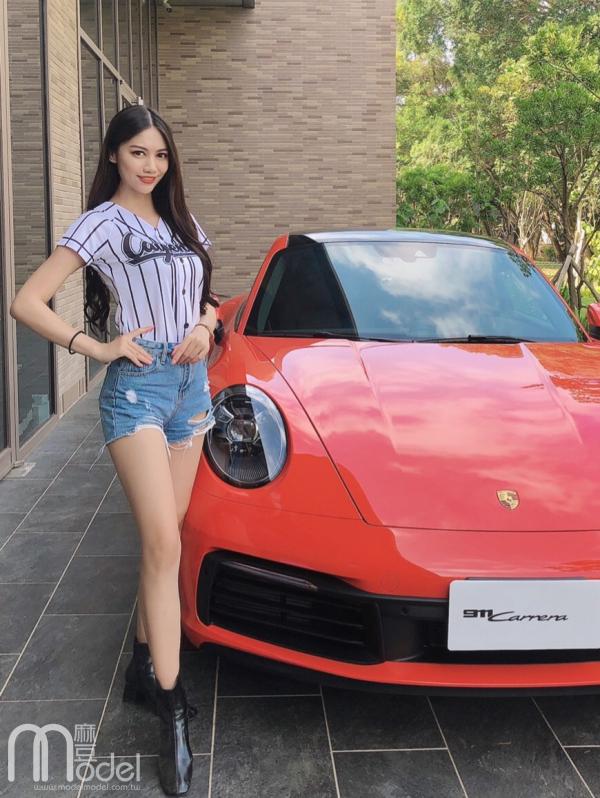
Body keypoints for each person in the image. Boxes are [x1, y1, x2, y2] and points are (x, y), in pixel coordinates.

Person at [9, 104, 220, 796]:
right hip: (137, 392)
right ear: (113, 156)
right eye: (137, 153)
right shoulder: (101, 223)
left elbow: (209, 299)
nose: (150, 165)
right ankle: (173, 708)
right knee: (163, 543)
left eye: (160, 153)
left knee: (166, 541)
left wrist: (206, 328)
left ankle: (140, 666)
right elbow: (27, 300)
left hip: (191, 389)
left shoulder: (182, 221)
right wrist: (95, 348)